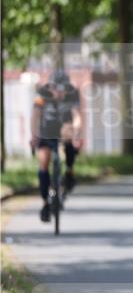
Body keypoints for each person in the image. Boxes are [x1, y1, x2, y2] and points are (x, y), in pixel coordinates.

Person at [31, 69, 83, 223]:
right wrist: (34, 136)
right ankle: (46, 203)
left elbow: (77, 117)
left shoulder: (73, 94)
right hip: (46, 130)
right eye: (56, 89)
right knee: (44, 160)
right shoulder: (42, 94)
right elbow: (35, 117)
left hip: (64, 128)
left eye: (63, 89)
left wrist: (76, 133)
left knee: (69, 137)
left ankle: (69, 171)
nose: (60, 93)